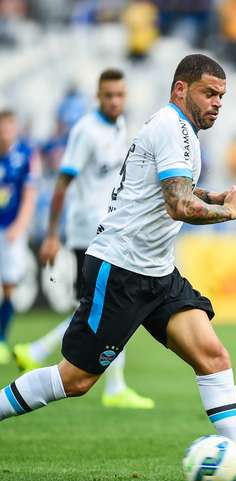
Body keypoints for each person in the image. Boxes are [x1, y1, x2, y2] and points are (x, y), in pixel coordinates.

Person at [0, 54, 236, 481]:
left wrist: (210, 194)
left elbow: (170, 187)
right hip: (120, 270)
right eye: (209, 93)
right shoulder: (172, 128)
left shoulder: (181, 132)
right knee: (75, 380)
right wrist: (227, 210)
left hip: (157, 272)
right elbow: (178, 205)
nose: (217, 103)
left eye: (222, 96)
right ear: (181, 89)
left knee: (213, 356)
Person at [13, 69, 155, 410]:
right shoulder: (85, 131)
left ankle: (38, 352)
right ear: (97, 96)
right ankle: (111, 385)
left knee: (100, 306)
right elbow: (62, 182)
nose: (115, 101)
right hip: (87, 231)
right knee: (106, 306)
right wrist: (51, 234)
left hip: (111, 227)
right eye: (108, 96)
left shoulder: (120, 128)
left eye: (120, 95)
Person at [0, 110, 39, 364]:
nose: (6, 132)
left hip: (11, 229)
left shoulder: (25, 154)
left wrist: (20, 225)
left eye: (9, 127)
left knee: (9, 285)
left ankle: (1, 340)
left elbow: (30, 193)